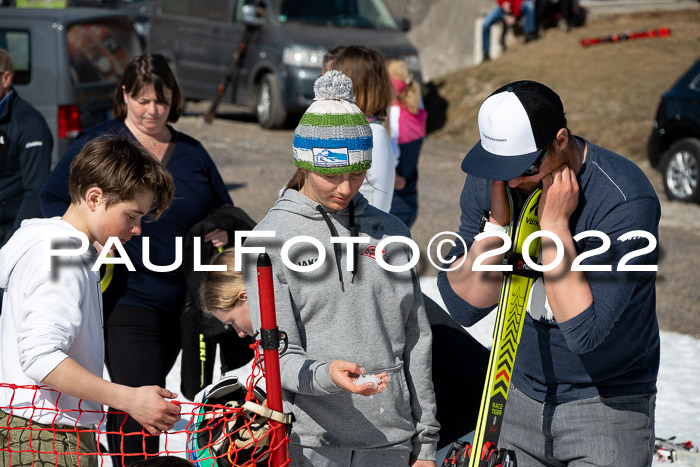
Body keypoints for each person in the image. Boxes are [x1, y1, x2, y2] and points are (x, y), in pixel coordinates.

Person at [437, 80, 660, 466]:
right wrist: (498, 230)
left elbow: (584, 332)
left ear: (560, 140)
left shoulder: (623, 200)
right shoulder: (495, 179)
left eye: (523, 168)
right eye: (498, 167)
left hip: (607, 402)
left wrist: (555, 227)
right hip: (513, 391)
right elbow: (463, 305)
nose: (511, 181)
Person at [39, 53, 234, 465]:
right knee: (137, 399)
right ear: (124, 94)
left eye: (161, 101)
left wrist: (218, 226)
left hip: (180, 299)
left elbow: (224, 206)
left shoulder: (192, 152)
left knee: (160, 393)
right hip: (127, 296)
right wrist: (91, 245)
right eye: (143, 99)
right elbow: (55, 199)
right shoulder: (101, 144)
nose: (152, 110)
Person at [242, 70, 439, 467]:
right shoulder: (270, 240)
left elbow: (417, 341)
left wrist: (427, 445)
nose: (345, 188)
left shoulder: (391, 232)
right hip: (311, 446)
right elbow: (277, 354)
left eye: (356, 173)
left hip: (393, 443)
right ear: (304, 163)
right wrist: (327, 374)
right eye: (331, 174)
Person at [0, 135, 179, 467]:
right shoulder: (62, 254)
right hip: (45, 441)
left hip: (43, 434)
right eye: (131, 216)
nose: (137, 229)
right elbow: (40, 357)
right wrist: (129, 399)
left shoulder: (62, 248)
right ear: (94, 197)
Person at [0, 48, 53, 310]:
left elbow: (36, 192)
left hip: (8, 236)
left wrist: (11, 250)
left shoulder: (29, 123)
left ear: (6, 78)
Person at [322, 45, 395, 213]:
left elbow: (377, 206)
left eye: (327, 81)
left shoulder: (372, 134)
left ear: (353, 86)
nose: (319, 88)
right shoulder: (346, 129)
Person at [387, 59, 428, 228]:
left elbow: (392, 154)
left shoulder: (393, 116)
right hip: (409, 194)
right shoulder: (416, 107)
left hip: (394, 195)